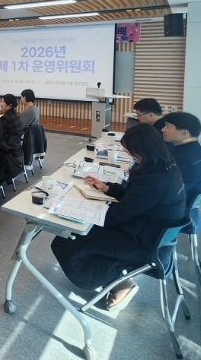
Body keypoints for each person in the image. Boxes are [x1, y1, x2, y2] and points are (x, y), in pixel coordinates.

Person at [51, 124, 185, 311]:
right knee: (79, 234)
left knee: (68, 239)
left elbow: (120, 214)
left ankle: (119, 280)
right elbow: (135, 200)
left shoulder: (152, 180)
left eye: (130, 151)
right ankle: (114, 279)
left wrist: (82, 214)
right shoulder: (164, 167)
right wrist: (107, 188)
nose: (128, 154)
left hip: (143, 242)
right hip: (150, 233)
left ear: (143, 150)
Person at [161, 112, 201, 233]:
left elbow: (171, 193)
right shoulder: (192, 150)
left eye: (168, 126)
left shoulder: (187, 160)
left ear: (184, 133)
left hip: (174, 211)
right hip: (181, 202)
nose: (163, 129)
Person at [0, 94, 23, 159]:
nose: (1, 104)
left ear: (10, 105)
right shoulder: (16, 115)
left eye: (3, 102)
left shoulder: (6, 118)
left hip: (7, 150)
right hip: (17, 150)